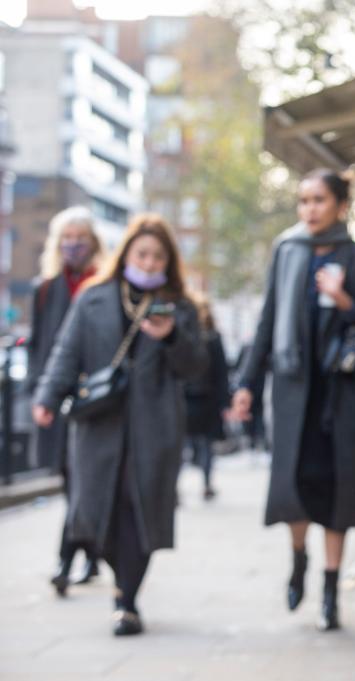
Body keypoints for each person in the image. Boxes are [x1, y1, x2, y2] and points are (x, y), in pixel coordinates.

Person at [32, 214, 207, 637]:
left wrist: (171, 336)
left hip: (155, 425)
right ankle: (115, 578)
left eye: (158, 257)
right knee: (98, 509)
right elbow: (66, 351)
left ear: (168, 262)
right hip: (100, 423)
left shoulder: (179, 306)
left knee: (141, 511)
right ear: (126, 253)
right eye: (142, 254)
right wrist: (47, 397)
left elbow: (196, 368)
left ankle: (126, 600)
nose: (148, 263)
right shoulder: (94, 297)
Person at [230, 168, 355, 631]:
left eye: (319, 200)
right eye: (303, 201)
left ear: (341, 205)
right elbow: (268, 322)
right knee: (294, 485)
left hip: (346, 394)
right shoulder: (287, 252)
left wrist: (343, 300)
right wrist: (246, 384)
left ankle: (331, 590)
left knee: (338, 489)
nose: (310, 210)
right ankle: (299, 557)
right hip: (295, 392)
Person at [26, 206, 106, 596]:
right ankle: (91, 553)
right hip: (58, 399)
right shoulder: (45, 289)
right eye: (67, 238)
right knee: (71, 479)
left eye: (80, 238)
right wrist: (40, 394)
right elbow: (39, 345)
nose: (73, 245)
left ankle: (66, 559)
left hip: (95, 400)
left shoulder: (102, 285)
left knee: (80, 480)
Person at [183, 295, 231, 500]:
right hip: (205, 399)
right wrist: (225, 401)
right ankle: (206, 483)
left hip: (190, 399)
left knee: (185, 444)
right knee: (205, 445)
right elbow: (222, 373)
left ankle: (179, 487)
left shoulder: (188, 336)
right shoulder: (212, 337)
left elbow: (221, 372)